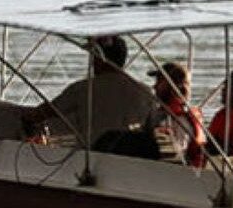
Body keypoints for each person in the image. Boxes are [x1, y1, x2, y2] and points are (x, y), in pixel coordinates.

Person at [18, 36, 157, 142]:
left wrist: (28, 119)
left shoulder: (83, 89)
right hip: (132, 158)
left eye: (93, 57)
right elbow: (151, 130)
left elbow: (44, 113)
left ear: (99, 59)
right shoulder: (145, 92)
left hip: (94, 155)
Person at [143, 61, 208, 167]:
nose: (154, 86)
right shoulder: (165, 115)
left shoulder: (180, 120)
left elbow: (177, 159)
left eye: (160, 82)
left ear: (173, 85)